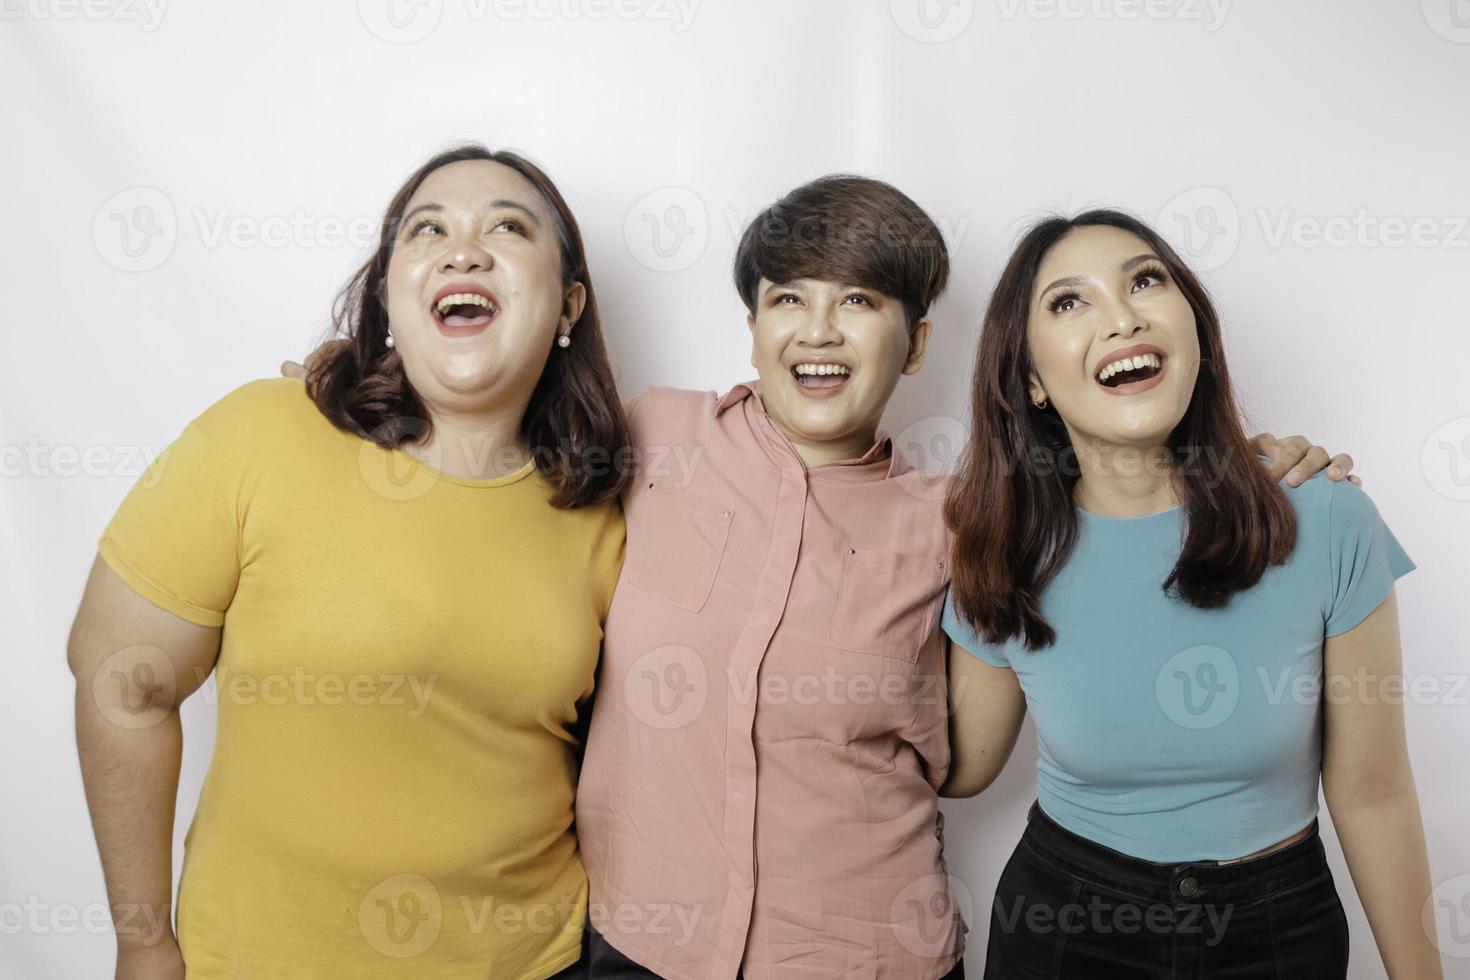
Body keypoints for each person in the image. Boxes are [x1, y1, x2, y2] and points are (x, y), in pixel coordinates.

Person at [69, 144, 627, 979]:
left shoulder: (610, 515)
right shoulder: (261, 434)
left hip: (533, 964)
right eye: (427, 229)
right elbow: (122, 682)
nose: (464, 248)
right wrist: (144, 940)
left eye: (508, 228)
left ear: (567, 305)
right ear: (388, 295)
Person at [940, 210, 1440, 978]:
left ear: (1195, 334)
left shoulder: (1329, 516)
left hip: (1278, 928)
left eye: (1146, 280)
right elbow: (960, 768)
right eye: (1069, 302)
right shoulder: (1005, 551)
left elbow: (1373, 795)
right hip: (1065, 923)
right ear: (1032, 380)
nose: (1122, 316)